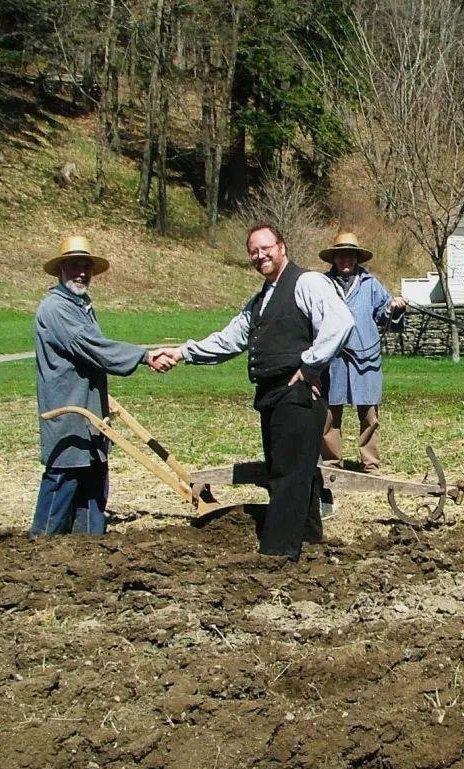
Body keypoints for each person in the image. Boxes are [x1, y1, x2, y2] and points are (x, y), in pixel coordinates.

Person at [152, 224, 354, 561]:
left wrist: (309, 366)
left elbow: (341, 322)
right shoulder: (261, 299)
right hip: (272, 395)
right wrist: (182, 352)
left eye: (266, 248)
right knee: (294, 470)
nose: (260, 256)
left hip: (298, 395)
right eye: (253, 252)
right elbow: (229, 339)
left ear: (282, 247)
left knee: (287, 476)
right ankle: (309, 539)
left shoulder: (307, 282)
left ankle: (277, 553)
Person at [31, 236, 169, 538]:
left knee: (93, 474)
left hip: (90, 409)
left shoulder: (81, 306)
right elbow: (93, 347)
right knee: (64, 474)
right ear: (60, 270)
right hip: (67, 408)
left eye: (86, 266)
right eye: (74, 265)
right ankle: (40, 548)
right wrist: (144, 356)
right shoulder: (56, 308)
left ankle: (91, 546)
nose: (81, 272)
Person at [319, 232, 407, 474]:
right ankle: (331, 464)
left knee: (369, 416)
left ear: (357, 258)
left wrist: (393, 307)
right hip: (332, 359)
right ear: (334, 259)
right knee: (329, 415)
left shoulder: (371, 284)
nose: (345, 260)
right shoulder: (323, 285)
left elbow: (384, 314)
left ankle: (370, 464)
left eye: (350, 256)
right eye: (341, 256)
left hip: (365, 359)